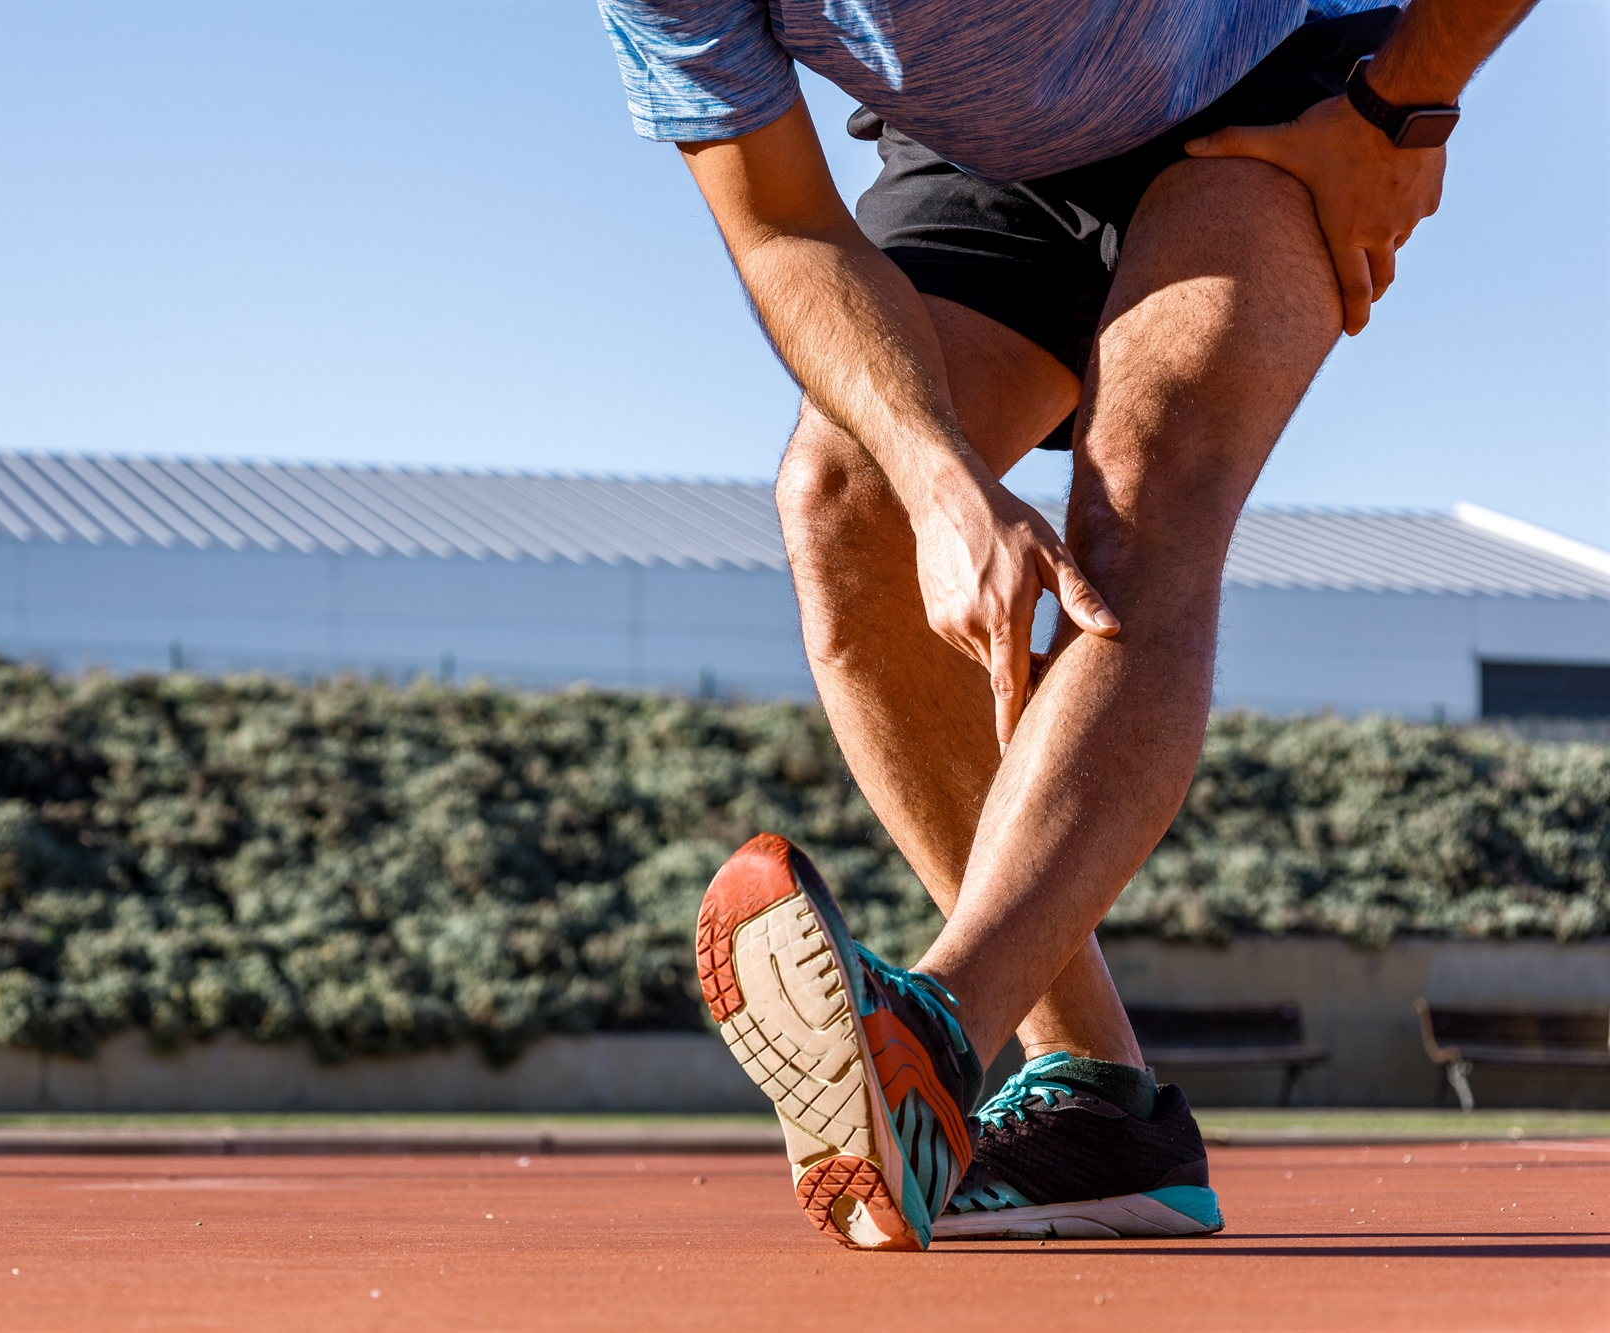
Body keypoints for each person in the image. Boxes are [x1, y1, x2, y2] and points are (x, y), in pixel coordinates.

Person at [600, 0, 1538, 1249]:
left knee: (1147, 477)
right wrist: (938, 482)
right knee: (844, 500)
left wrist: (1401, 106)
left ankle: (935, 1032)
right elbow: (779, 226)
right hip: (984, 158)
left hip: (1268, 91)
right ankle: (1098, 1108)